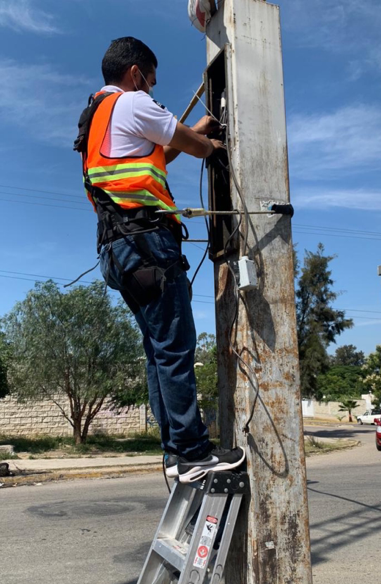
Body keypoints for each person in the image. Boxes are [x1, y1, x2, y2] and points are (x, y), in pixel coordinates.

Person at [75, 37, 244, 483]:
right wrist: (210, 144)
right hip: (147, 244)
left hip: (117, 250)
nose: (152, 87)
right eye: (151, 79)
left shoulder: (97, 117)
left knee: (158, 352)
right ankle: (192, 452)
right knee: (175, 348)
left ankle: (175, 452)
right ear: (135, 74)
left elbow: (160, 152)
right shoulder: (133, 102)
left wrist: (196, 129)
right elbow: (193, 146)